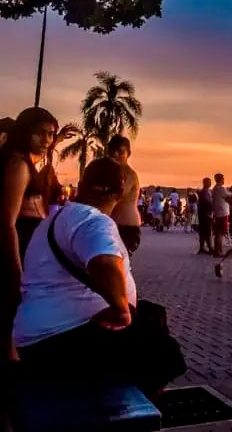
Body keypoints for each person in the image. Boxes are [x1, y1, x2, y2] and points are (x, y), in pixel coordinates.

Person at [14, 157, 185, 396]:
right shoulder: (93, 221)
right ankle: (129, 412)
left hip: (37, 335)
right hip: (57, 341)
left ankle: (133, 398)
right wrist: (121, 309)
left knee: (152, 314)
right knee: (166, 355)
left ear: (82, 185)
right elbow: (104, 264)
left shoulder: (60, 217)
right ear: (120, 193)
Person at [1, 107, 60, 361]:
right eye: (41, 133)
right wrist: (17, 270)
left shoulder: (26, 163)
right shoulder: (19, 164)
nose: (47, 140)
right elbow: (7, 222)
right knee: (10, 317)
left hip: (28, 244)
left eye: (51, 134)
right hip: (20, 244)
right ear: (26, 133)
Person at [107, 136, 143, 255]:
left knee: (119, 263)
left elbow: (117, 194)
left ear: (128, 154)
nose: (116, 155)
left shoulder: (129, 174)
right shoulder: (113, 173)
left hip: (127, 227)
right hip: (114, 225)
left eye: (121, 152)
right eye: (113, 151)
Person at [211, 173, 230, 256]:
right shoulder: (221, 188)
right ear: (220, 179)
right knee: (220, 233)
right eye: (223, 178)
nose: (224, 180)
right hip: (222, 213)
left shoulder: (215, 188)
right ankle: (218, 251)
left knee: (218, 233)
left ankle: (218, 250)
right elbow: (230, 195)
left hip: (217, 212)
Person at [196, 177, 214, 254]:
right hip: (205, 214)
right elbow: (207, 203)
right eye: (209, 182)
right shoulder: (205, 192)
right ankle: (210, 248)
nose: (210, 183)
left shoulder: (205, 191)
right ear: (205, 183)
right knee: (207, 231)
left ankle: (202, 247)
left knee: (203, 231)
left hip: (203, 213)